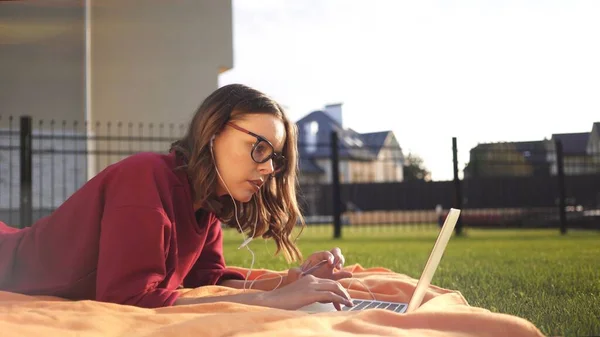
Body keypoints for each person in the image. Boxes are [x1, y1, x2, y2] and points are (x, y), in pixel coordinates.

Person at [0, 84, 354, 310]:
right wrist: (270, 300)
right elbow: (128, 299)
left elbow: (207, 281)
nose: (268, 168)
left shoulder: (208, 204)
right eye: (258, 148)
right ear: (213, 131)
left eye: (274, 157)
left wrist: (288, 281)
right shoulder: (146, 178)